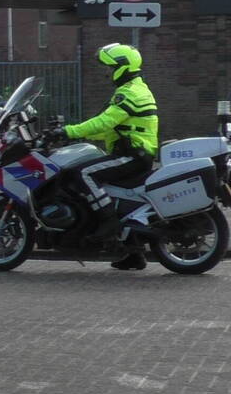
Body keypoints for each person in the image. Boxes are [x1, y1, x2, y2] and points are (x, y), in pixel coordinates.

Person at [59, 43, 159, 271]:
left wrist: (68, 131)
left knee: (83, 173)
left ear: (122, 67)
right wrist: (76, 134)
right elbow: (109, 128)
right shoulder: (136, 89)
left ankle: (109, 223)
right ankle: (133, 254)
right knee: (112, 192)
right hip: (134, 153)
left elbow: (104, 122)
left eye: (109, 67)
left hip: (132, 155)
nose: (106, 73)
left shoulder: (129, 93)